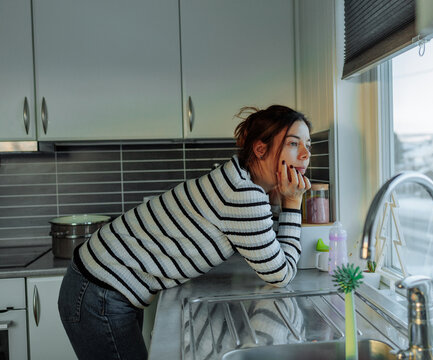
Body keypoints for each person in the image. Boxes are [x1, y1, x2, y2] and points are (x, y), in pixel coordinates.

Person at [57, 104, 312, 360]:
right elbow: (281, 274)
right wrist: (292, 202)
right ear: (260, 149)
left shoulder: (238, 179)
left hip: (101, 283)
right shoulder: (243, 194)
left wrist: (281, 197)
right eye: (293, 144)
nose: (304, 154)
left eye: (308, 145)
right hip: (99, 290)